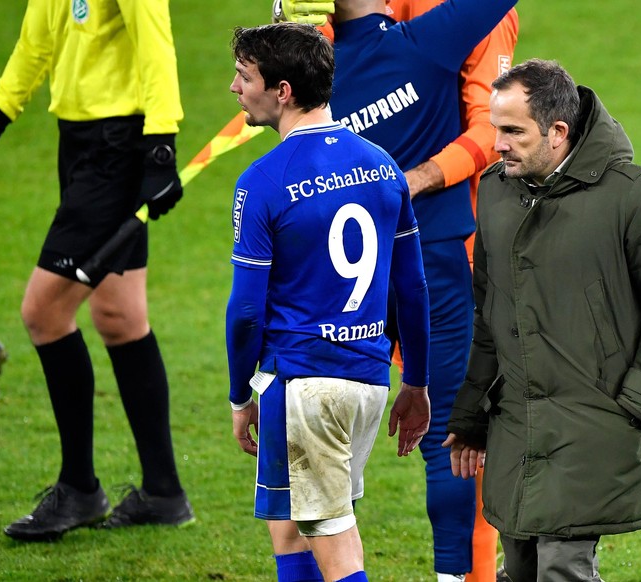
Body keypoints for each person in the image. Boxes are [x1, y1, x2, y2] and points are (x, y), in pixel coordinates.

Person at [444, 58, 641, 582]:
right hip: (517, 425)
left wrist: (640, 401)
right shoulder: (497, 190)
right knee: (519, 570)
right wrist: (472, 415)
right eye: (496, 128)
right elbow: (490, 312)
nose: (497, 145)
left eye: (513, 131)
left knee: (563, 567)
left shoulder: (635, 195)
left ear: (558, 132)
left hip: (595, 423)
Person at [225, 22, 432, 582]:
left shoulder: (263, 180)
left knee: (336, 544)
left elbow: (245, 311)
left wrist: (239, 393)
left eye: (245, 77)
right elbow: (411, 289)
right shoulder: (383, 167)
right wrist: (416, 382)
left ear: (283, 91)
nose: (234, 89)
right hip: (366, 381)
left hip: (304, 385)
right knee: (292, 525)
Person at [326, 1, 518, 579]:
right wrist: (413, 181)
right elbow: (496, 129)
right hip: (437, 253)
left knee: (329, 427)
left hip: (339, 263)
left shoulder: (313, 58)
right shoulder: (428, 41)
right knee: (449, 432)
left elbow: (261, 95)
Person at [0, 0, 192, 542]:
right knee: (119, 314)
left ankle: (79, 487)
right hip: (77, 142)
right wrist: (0, 109)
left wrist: (160, 145)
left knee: (43, 312)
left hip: (120, 148)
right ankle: (163, 491)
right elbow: (36, 42)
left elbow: (155, 40)